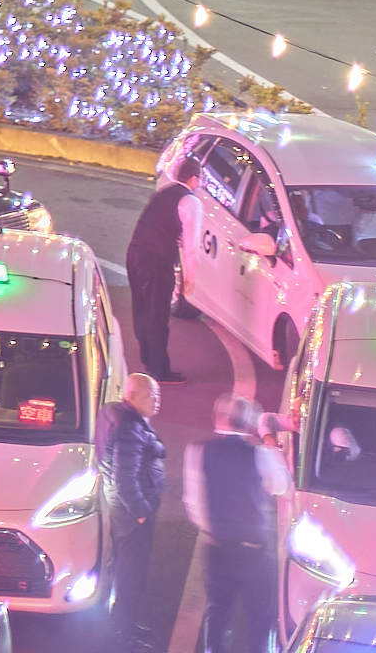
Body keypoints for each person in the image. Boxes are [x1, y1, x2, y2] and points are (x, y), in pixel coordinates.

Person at [181, 395, 286, 653]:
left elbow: (194, 504)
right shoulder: (260, 455)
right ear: (248, 422)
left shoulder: (198, 451)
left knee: (218, 615)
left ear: (218, 419)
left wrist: (214, 527)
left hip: (218, 548)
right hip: (255, 550)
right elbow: (282, 485)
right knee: (260, 620)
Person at [101, 374, 166, 651]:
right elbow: (124, 479)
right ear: (133, 395)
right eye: (152, 395)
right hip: (131, 515)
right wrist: (142, 512)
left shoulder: (116, 416)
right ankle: (122, 633)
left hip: (123, 510)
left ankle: (125, 626)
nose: (157, 401)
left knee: (126, 573)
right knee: (131, 576)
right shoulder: (129, 427)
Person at [126, 179, 189, 381]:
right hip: (158, 260)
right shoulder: (189, 200)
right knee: (158, 315)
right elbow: (192, 247)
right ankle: (160, 369)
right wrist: (189, 279)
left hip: (135, 252)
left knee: (141, 308)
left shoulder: (164, 192)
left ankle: (147, 358)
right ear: (194, 179)